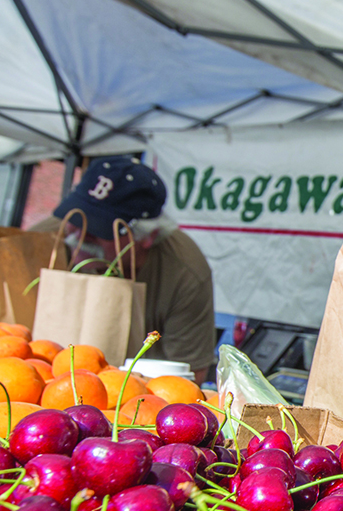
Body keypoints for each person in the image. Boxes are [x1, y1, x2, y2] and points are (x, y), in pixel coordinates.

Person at [42, 156, 217, 383]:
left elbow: (189, 375)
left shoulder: (184, 272)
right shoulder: (43, 239)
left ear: (148, 236)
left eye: (98, 229)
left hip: (133, 392)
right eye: (76, 217)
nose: (80, 234)